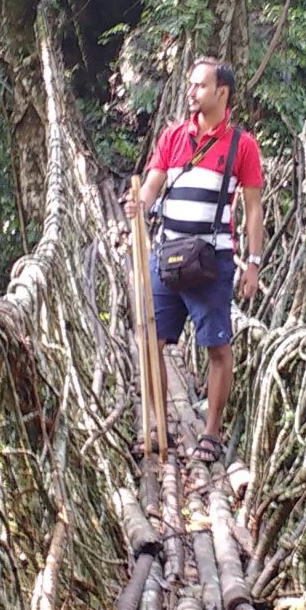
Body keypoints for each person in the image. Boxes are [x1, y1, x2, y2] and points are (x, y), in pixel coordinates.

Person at [127, 57, 265, 463]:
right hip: (167, 257)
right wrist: (141, 204)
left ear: (222, 92)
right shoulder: (173, 137)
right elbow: (153, 183)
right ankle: (158, 426)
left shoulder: (243, 145)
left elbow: (253, 208)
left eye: (199, 86)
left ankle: (211, 433)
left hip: (212, 261)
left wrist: (252, 263)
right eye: (191, 85)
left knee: (217, 347)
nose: (191, 92)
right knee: (151, 339)